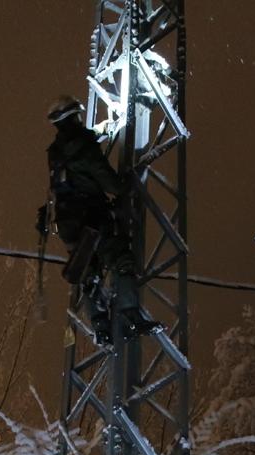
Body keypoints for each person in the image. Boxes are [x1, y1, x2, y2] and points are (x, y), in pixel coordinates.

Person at [36, 95, 159, 345]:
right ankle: (129, 317)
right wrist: (125, 187)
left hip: (68, 222)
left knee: (89, 272)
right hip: (90, 217)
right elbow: (107, 179)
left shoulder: (57, 151)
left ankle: (101, 328)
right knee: (120, 259)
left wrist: (101, 131)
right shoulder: (83, 146)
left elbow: (65, 179)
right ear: (74, 117)